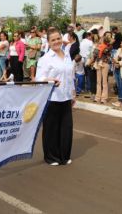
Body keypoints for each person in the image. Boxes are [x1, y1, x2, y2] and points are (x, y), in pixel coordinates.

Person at [36, 27, 75, 166]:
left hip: (65, 97)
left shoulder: (67, 55)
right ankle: (51, 156)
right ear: (48, 42)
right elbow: (38, 78)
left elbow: (70, 76)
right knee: (51, 129)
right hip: (51, 98)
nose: (57, 41)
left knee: (66, 128)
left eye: (58, 38)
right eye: (53, 40)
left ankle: (64, 155)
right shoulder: (45, 59)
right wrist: (50, 80)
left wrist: (73, 94)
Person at [94, 36, 112, 104]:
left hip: (105, 63)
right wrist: (98, 46)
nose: (100, 40)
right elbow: (95, 53)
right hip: (98, 63)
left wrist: (99, 47)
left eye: (101, 39)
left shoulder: (109, 47)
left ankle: (104, 98)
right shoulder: (99, 46)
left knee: (104, 82)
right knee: (98, 81)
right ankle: (97, 97)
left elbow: (106, 51)